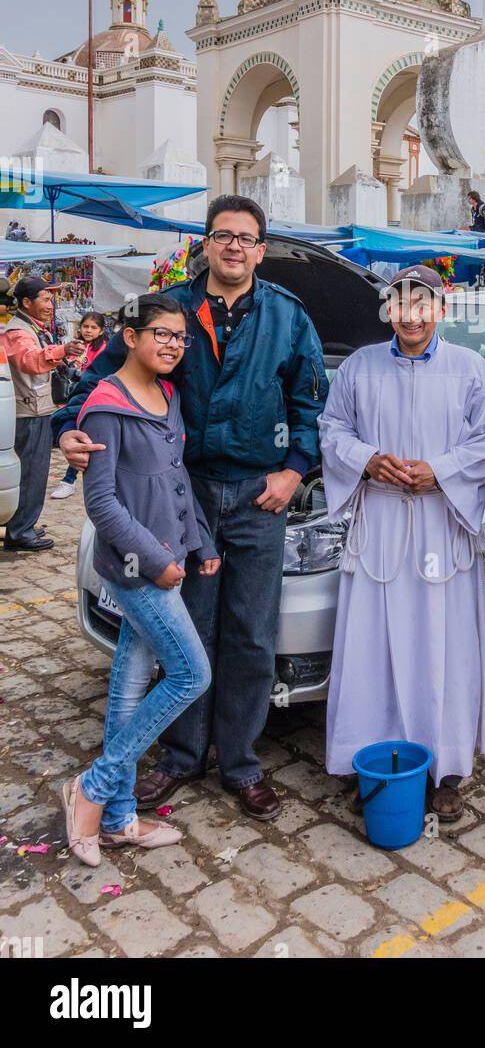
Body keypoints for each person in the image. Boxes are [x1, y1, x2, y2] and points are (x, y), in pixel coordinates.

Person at [55, 195, 328, 822]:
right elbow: (101, 376)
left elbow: (312, 407)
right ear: (205, 243)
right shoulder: (166, 310)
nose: (234, 246)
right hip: (186, 497)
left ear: (262, 249)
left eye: (247, 238)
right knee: (187, 632)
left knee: (252, 634)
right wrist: (69, 427)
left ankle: (241, 763)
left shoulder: (289, 318)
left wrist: (293, 472)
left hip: (262, 496)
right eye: (223, 235)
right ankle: (180, 757)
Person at [319, 265, 485, 821]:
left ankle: (445, 768)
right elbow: (332, 429)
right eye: (400, 304)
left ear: (440, 311)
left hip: (439, 526)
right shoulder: (359, 367)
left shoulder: (471, 371)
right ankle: (371, 761)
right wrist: (365, 460)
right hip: (378, 525)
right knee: (371, 649)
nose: (411, 315)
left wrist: (441, 472)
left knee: (441, 647)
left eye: (421, 304)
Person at [62, 295, 220, 867]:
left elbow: (176, 480)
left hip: (172, 559)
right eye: (161, 334)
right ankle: (94, 787)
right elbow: (102, 503)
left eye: (180, 336)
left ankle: (121, 818)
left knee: (129, 686)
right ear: (129, 336)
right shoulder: (106, 406)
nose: (173, 345)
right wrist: (157, 561)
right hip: (138, 570)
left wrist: (199, 541)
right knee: (191, 674)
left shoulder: (168, 395)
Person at [1, 276, 84, 552]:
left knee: (34, 472)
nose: (50, 305)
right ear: (26, 302)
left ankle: (23, 524)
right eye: (45, 299)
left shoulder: (32, 328)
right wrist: (62, 350)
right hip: (27, 412)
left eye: (51, 299)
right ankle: (20, 532)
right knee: (31, 473)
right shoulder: (17, 332)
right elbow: (29, 361)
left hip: (35, 408)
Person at [51, 312, 109, 500]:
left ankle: (69, 481)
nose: (88, 330)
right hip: (75, 397)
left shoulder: (105, 351)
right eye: (85, 326)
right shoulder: (76, 346)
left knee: (83, 439)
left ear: (101, 330)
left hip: (93, 400)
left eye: (93, 327)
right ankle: (69, 481)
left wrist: (77, 374)